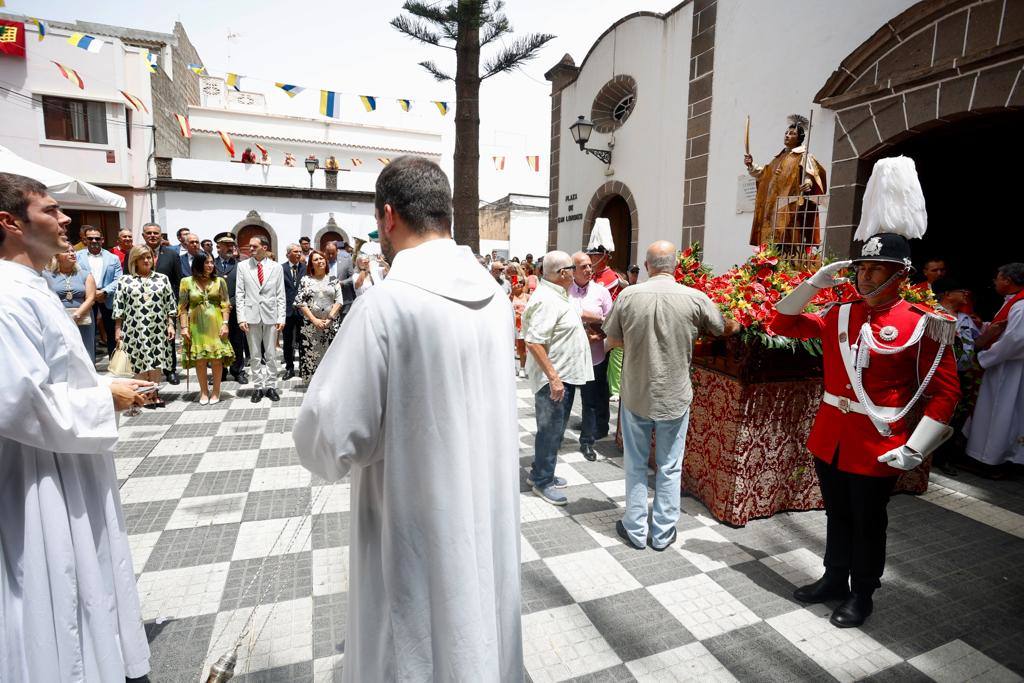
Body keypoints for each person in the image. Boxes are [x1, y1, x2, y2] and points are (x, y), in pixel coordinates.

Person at [293, 156, 521, 681]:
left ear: (387, 217)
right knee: (473, 624)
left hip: (411, 517)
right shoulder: (497, 296)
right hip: (482, 501)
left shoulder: (386, 305)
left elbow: (330, 434)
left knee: (415, 641)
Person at [770, 156, 960, 628]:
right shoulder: (838, 313)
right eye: (863, 268)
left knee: (869, 522)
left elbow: (944, 393)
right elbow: (781, 321)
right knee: (836, 514)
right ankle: (833, 579)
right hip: (831, 436)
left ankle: (863, 593)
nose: (866, 277)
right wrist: (814, 282)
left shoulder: (923, 326)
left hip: (879, 443)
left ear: (901, 276)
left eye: (879, 270)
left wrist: (916, 448)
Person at [0, 172, 152, 682]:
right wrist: (106, 395)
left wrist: (109, 388)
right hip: (37, 470)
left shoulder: (34, 286)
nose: (66, 219)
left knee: (86, 570)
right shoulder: (7, 297)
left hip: (72, 460)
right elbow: (18, 399)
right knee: (54, 577)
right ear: (9, 223)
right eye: (50, 211)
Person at [604, 241, 735, 551]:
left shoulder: (628, 295)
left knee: (636, 464)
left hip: (637, 392)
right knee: (670, 466)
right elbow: (720, 328)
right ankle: (662, 532)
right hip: (674, 394)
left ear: (648, 266)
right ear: (675, 266)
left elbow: (612, 338)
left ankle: (635, 530)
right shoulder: (695, 298)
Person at [523, 250, 593, 506]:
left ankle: (540, 473)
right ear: (563, 273)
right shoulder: (547, 299)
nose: (576, 273)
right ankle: (542, 481)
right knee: (550, 431)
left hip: (561, 377)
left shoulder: (556, 295)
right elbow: (533, 341)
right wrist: (554, 378)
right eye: (573, 268)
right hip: (553, 381)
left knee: (552, 430)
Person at [964, 263, 1024, 471]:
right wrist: (984, 327)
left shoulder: (1021, 305)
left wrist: (983, 358)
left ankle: (991, 460)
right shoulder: (1013, 302)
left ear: (1008, 280)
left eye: (998, 278)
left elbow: (1015, 340)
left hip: (1009, 370)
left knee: (1001, 411)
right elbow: (1004, 330)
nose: (995, 281)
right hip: (1003, 365)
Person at [745, 114, 827, 250]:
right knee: (773, 240)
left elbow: (811, 173)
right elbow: (764, 174)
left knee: (790, 237)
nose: (787, 135)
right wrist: (751, 165)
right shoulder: (778, 157)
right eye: (786, 133)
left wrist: (808, 182)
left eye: (792, 133)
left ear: (799, 138)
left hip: (791, 204)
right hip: (774, 205)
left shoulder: (804, 155)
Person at [114, 245, 177, 409]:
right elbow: (119, 307)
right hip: (134, 328)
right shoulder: (125, 280)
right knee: (138, 362)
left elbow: (170, 304)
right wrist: (118, 330)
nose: (147, 260)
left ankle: (154, 394)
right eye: (142, 257)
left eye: (149, 257)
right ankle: (143, 396)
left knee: (156, 362)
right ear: (135, 260)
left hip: (157, 328)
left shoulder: (162, 279)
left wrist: (170, 324)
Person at [932, 277, 982, 476]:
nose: (965, 294)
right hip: (937, 375)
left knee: (953, 417)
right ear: (947, 294)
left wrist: (993, 331)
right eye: (960, 290)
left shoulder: (966, 318)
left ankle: (943, 458)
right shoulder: (933, 313)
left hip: (960, 375)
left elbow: (976, 343)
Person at [569, 250, 614, 461]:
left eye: (590, 265)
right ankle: (555, 438)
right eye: (583, 266)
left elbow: (613, 322)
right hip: (567, 359)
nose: (589, 269)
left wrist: (598, 333)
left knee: (590, 402)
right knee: (562, 402)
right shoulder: (564, 291)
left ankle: (587, 441)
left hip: (593, 358)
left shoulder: (601, 292)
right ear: (572, 270)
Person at [179, 252, 234, 404]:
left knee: (217, 359)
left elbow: (225, 304)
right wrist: (183, 328)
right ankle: (203, 392)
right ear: (198, 264)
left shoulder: (219, 281)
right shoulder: (186, 282)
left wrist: (225, 324)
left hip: (216, 324)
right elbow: (182, 307)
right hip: (195, 325)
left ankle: (216, 391)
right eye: (206, 263)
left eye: (211, 262)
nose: (210, 265)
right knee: (200, 360)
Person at [236, 235, 285, 403]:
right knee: (255, 354)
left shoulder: (276, 267)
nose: (250, 249)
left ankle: (271, 386)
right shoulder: (243, 267)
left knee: (271, 353)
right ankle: (257, 387)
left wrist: (282, 317)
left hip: (271, 315)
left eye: (254, 246)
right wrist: (241, 318)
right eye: (250, 246)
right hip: (251, 316)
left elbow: (280, 294)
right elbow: (240, 293)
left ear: (264, 248)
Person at [143, 222, 182, 384]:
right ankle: (148, 370)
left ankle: (170, 370)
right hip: (142, 305)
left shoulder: (171, 254)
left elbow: (178, 280)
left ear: (161, 236)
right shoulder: (136, 253)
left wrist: (179, 303)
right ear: (144, 236)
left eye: (156, 233)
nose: (152, 236)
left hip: (165, 304)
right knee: (145, 337)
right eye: (149, 233)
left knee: (169, 337)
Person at [43, 243, 97, 361]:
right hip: (57, 319)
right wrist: (63, 318)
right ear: (56, 256)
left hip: (83, 319)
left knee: (86, 351)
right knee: (63, 352)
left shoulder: (85, 274)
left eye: (73, 251)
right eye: (67, 251)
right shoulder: (47, 275)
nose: (72, 253)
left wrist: (76, 315)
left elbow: (91, 298)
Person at [295, 250, 342, 381]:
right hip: (311, 327)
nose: (320, 261)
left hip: (331, 325)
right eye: (316, 259)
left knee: (332, 354)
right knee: (312, 355)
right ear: (311, 264)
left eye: (322, 258)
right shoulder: (305, 280)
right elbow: (300, 302)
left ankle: (331, 384)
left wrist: (329, 319)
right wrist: (314, 320)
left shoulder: (333, 279)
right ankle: (313, 385)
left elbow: (339, 301)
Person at [76, 225, 122, 360]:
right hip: (86, 299)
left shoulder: (112, 258)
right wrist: (90, 293)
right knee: (87, 331)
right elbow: (74, 276)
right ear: (85, 240)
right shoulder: (77, 257)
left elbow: (118, 279)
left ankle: (115, 362)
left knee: (111, 330)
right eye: (90, 238)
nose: (94, 241)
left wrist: (105, 292)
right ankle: (89, 362)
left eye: (97, 238)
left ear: (102, 240)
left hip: (107, 298)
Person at [214, 232, 248, 383]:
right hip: (214, 311)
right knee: (217, 341)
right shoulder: (210, 264)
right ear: (218, 247)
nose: (230, 247)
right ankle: (220, 372)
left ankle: (237, 371)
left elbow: (244, 288)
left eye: (231, 245)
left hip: (235, 310)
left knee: (237, 341)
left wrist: (231, 303)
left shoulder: (240, 265)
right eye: (226, 245)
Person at [281, 243, 306, 380]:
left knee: (303, 340)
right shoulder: (281, 269)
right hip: (287, 311)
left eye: (300, 252)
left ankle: (303, 367)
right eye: (296, 251)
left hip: (303, 311)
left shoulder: (306, 268)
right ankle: (289, 368)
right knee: (288, 341)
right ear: (288, 254)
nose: (298, 254)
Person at [511, 274, 531, 378]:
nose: (518, 284)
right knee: (510, 348)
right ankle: (512, 367)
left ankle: (522, 368)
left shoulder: (527, 297)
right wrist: (512, 293)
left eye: (521, 282)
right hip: (512, 326)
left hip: (522, 326)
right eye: (516, 282)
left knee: (522, 348)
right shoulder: (510, 296)